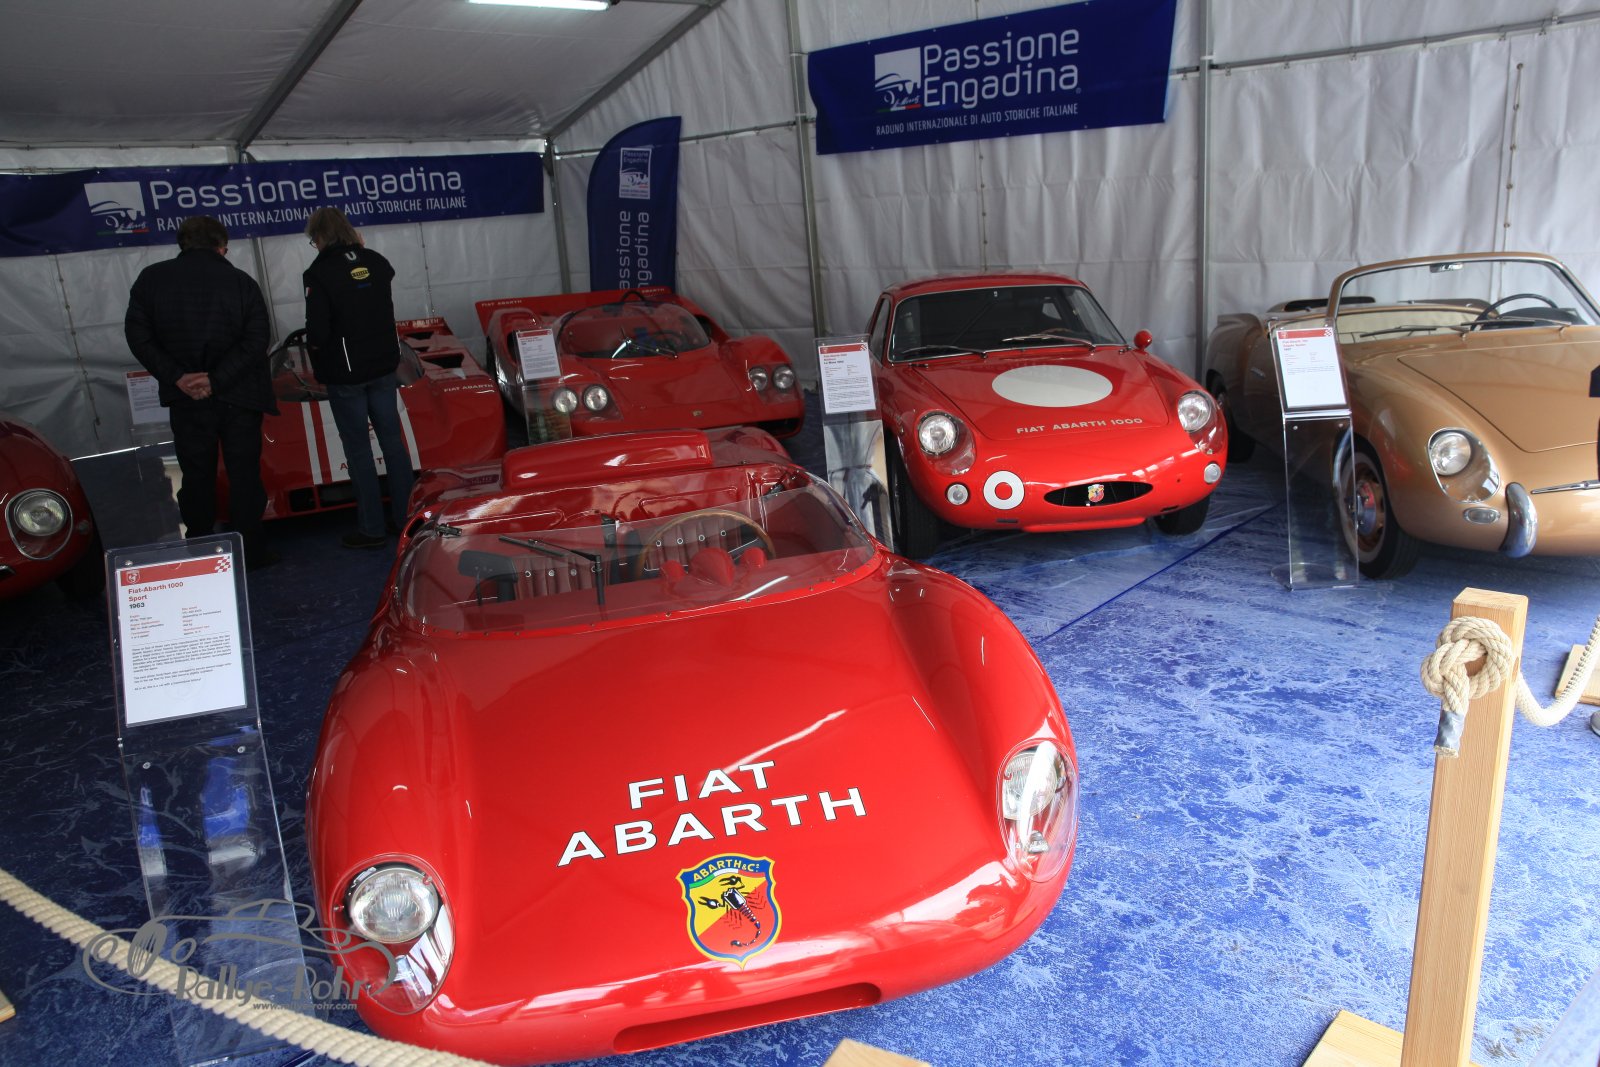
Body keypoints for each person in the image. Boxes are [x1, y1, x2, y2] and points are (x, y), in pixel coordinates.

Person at [125, 215, 277, 568]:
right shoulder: (241, 282)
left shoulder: (151, 280)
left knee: (195, 474)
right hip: (239, 395)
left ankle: (199, 548)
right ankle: (251, 551)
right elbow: (257, 339)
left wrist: (178, 377)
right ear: (222, 247)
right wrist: (217, 380)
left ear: (183, 244)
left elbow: (139, 337)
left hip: (186, 398)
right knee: (244, 474)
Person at [302, 207, 413, 549]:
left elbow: (317, 331)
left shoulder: (319, 273)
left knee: (359, 450)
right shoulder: (376, 261)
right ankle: (405, 519)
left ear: (320, 237)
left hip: (346, 374)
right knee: (393, 444)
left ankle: (371, 528)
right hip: (383, 367)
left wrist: (317, 356)